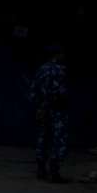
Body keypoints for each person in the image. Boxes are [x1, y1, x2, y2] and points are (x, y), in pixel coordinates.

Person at [30, 44, 69, 183]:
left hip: (43, 109)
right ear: (57, 55)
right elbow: (60, 92)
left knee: (43, 138)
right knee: (58, 139)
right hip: (57, 110)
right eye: (61, 54)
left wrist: (39, 107)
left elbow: (34, 90)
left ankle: (41, 169)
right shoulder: (60, 70)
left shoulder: (42, 69)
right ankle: (54, 171)